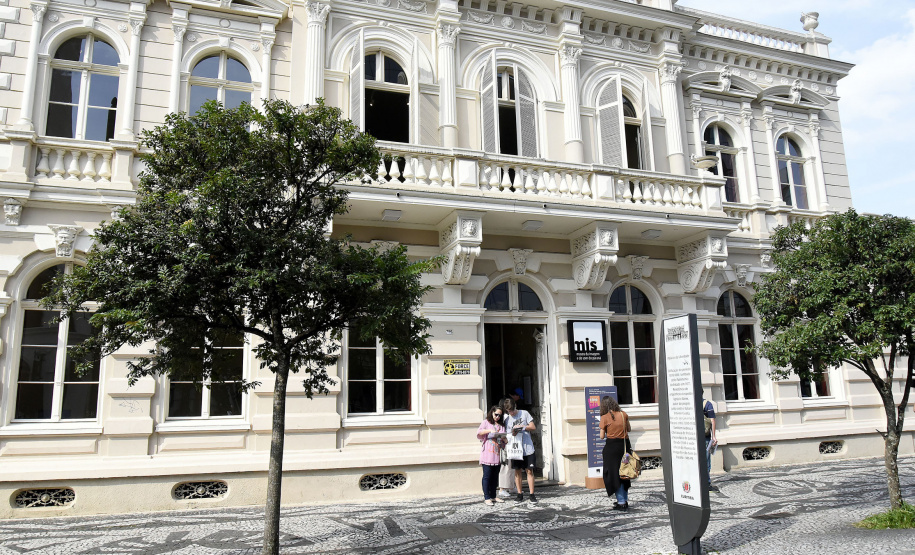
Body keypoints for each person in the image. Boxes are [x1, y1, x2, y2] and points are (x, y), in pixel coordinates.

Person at [599, 395, 631, 511]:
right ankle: (624, 500)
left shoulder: (605, 417)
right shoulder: (623, 414)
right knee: (624, 473)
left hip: (612, 448)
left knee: (614, 474)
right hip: (625, 446)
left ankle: (621, 502)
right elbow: (629, 429)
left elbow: (601, 436)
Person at [503, 396, 538, 503]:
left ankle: (532, 494)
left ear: (515, 406)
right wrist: (513, 432)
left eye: (512, 410)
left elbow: (533, 427)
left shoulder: (524, 413)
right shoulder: (507, 419)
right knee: (517, 472)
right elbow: (508, 434)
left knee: (529, 470)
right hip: (516, 448)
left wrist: (523, 427)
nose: (511, 413)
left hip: (527, 447)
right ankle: (519, 494)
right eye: (509, 411)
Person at [476, 405, 507, 506]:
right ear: (492, 412)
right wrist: (489, 431)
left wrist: (504, 439)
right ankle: (487, 497)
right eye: (496, 414)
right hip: (487, 453)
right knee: (487, 476)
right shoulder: (486, 422)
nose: (497, 417)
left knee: (495, 476)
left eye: (500, 415)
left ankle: (493, 495)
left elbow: (504, 440)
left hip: (497, 453)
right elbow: (479, 432)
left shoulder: (501, 425)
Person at [496, 397, 517, 499]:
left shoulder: (509, 416)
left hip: (512, 443)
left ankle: (511, 486)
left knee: (512, 466)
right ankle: (502, 488)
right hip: (505, 444)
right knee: (505, 466)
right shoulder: (503, 417)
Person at [702, 392, 718, 492]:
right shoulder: (707, 404)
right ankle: (706, 484)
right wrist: (714, 436)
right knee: (706, 461)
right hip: (705, 436)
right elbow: (712, 421)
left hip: (692, 438)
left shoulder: (689, 403)